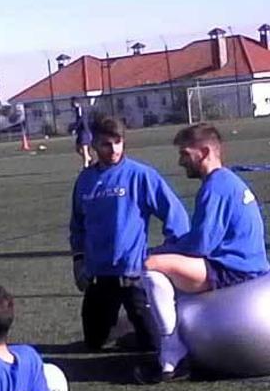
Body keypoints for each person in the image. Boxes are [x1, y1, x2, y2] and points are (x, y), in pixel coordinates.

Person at [135, 123, 270, 384]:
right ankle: (172, 346)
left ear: (205, 152)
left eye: (186, 154)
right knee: (161, 261)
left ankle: (173, 356)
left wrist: (164, 250)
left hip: (232, 270)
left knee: (149, 264)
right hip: (242, 264)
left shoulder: (215, 187)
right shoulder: (227, 180)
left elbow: (201, 246)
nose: (180, 161)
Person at [70, 114, 189, 352]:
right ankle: (123, 326)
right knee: (93, 344)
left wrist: (170, 254)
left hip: (133, 276)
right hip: (98, 277)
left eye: (118, 142)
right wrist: (78, 260)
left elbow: (176, 217)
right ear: (94, 144)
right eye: (106, 143)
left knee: (152, 347)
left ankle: (141, 323)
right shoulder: (85, 180)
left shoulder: (141, 175)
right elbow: (77, 225)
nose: (113, 149)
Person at [70, 99, 93, 168]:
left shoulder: (80, 109)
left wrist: (75, 128)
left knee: (84, 149)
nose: (72, 104)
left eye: (73, 103)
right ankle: (89, 158)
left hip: (84, 131)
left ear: (76, 102)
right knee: (78, 149)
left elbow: (81, 119)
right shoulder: (77, 110)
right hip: (81, 132)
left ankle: (86, 165)